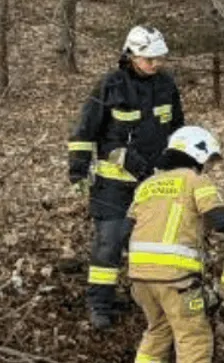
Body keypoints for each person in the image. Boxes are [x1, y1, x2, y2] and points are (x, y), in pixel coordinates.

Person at [68, 25, 186, 330]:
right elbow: (85, 130)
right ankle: (100, 304)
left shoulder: (166, 85)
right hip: (113, 183)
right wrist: (77, 170)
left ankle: (143, 298)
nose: (155, 64)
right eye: (149, 59)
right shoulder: (111, 85)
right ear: (131, 55)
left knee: (149, 243)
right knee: (110, 242)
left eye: (159, 58)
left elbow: (177, 129)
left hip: (155, 180)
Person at [124, 125, 224, 363]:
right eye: (209, 160)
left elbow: (130, 225)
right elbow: (222, 221)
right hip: (176, 279)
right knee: (193, 337)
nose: (209, 166)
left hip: (140, 277)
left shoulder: (147, 184)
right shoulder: (195, 181)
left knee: (158, 328)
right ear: (197, 154)